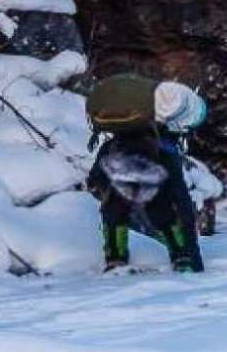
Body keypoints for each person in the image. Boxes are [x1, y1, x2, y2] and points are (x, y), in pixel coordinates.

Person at [86, 79, 208, 273]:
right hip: (156, 174)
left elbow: (95, 181)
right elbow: (181, 202)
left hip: (115, 170)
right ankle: (183, 257)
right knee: (163, 211)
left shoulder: (111, 146)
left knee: (113, 209)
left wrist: (96, 183)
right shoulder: (165, 149)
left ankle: (115, 260)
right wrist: (195, 259)